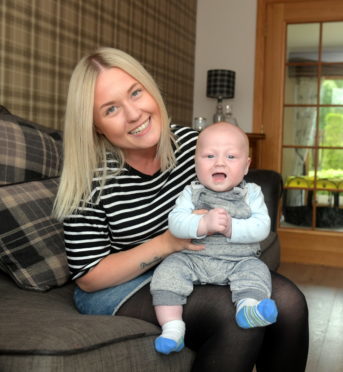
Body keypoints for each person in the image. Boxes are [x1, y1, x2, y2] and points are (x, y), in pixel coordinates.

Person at [53, 46, 309, 372]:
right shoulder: (88, 177)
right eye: (112, 109)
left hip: (196, 262)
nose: (134, 114)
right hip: (118, 286)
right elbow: (89, 277)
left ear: (150, 90)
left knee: (290, 302)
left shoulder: (193, 146)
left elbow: (237, 189)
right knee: (236, 319)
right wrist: (167, 242)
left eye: (136, 93)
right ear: (96, 126)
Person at [150, 122, 278, 355]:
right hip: (193, 260)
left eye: (231, 156)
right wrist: (202, 224)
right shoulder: (191, 192)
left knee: (257, 271)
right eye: (209, 155)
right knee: (166, 273)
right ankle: (172, 328)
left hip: (238, 261)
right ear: (196, 163)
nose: (220, 162)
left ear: (246, 165)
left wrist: (232, 228)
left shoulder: (252, 193)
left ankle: (248, 308)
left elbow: (262, 227)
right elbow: (176, 223)